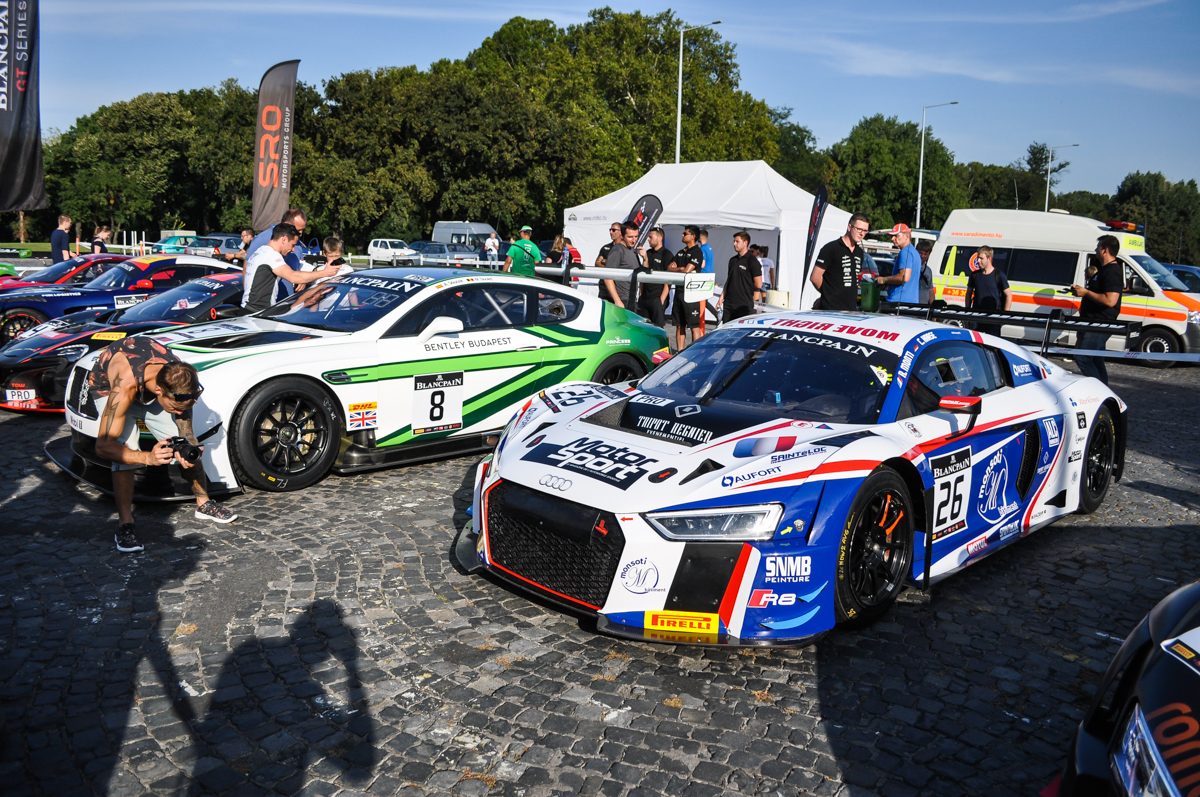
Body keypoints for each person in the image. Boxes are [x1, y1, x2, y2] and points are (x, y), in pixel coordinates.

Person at [89, 336, 237, 552]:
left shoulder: (181, 379)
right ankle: (125, 523)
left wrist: (188, 450)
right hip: (111, 387)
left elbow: (185, 431)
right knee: (124, 448)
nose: (179, 411)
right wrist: (147, 457)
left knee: (185, 446)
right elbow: (103, 447)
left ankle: (203, 503)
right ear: (159, 391)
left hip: (151, 386)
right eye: (175, 408)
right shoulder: (124, 386)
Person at [243, 223, 341, 312]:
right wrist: (324, 273)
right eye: (292, 245)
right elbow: (293, 276)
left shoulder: (261, 251)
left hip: (248, 308)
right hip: (257, 311)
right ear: (284, 239)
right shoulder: (271, 255)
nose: (293, 249)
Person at [1071, 235, 1123, 384]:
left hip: (1100, 323)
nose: (1095, 250)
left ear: (1104, 250)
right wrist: (1082, 292)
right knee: (1095, 358)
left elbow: (1110, 300)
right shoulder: (1104, 270)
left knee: (1082, 357)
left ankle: (1097, 389)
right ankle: (1104, 389)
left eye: (1098, 247)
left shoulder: (1112, 271)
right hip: (1092, 322)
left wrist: (1086, 293)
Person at [247, 208, 309, 297]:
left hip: (288, 300)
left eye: (303, 230)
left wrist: (302, 279)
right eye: (298, 230)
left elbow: (297, 267)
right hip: (266, 302)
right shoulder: (263, 239)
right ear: (287, 224)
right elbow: (247, 266)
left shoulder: (298, 244)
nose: (301, 233)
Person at [811, 214, 868, 311]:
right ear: (849, 227)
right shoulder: (831, 248)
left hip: (851, 310)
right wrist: (827, 296)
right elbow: (815, 277)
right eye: (859, 229)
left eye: (865, 231)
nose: (862, 233)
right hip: (831, 310)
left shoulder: (859, 252)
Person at [669, 225, 705, 350]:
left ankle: (695, 352)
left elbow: (688, 270)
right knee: (679, 325)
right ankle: (680, 352)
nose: (682, 235)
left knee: (694, 326)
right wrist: (680, 268)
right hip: (679, 292)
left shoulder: (697, 252)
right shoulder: (681, 252)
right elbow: (669, 268)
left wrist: (678, 269)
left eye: (685, 234)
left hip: (691, 294)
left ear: (693, 236)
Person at [964, 246, 1012, 337]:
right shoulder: (974, 275)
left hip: (993, 318)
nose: (978, 261)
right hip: (976, 317)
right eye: (978, 258)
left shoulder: (999, 275)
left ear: (989, 258)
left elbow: (1008, 295)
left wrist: (1005, 315)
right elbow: (969, 293)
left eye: (981, 258)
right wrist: (967, 310)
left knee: (992, 343)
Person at [716, 230, 762, 322]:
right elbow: (729, 281)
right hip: (729, 304)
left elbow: (758, 284)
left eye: (737, 241)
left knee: (740, 330)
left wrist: (745, 288)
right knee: (727, 329)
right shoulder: (732, 260)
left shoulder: (752, 261)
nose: (734, 244)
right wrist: (721, 298)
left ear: (745, 243)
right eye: (734, 241)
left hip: (743, 306)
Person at [876, 223, 920, 304]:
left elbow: (904, 277)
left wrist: (883, 280)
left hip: (899, 302)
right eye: (892, 236)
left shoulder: (905, 252)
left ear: (907, 236)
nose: (892, 238)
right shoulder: (914, 252)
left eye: (896, 235)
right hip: (911, 301)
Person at [636, 226, 671, 328]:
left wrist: (661, 300)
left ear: (659, 238)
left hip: (657, 298)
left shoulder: (667, 254)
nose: (648, 239)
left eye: (651, 237)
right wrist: (641, 294)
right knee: (643, 327)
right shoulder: (648, 253)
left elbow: (669, 280)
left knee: (658, 328)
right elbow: (644, 273)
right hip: (645, 297)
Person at [601, 222, 641, 309]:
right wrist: (617, 301)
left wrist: (645, 258)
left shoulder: (632, 250)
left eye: (636, 236)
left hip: (631, 299)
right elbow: (607, 277)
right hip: (622, 300)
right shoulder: (617, 250)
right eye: (630, 237)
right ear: (622, 236)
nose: (634, 240)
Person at [916, 239, 934, 303]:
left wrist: (932, 305)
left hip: (924, 306)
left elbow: (930, 290)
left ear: (929, 255)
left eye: (925, 254)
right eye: (920, 253)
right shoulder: (910, 268)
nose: (922, 256)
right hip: (911, 305)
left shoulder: (928, 270)